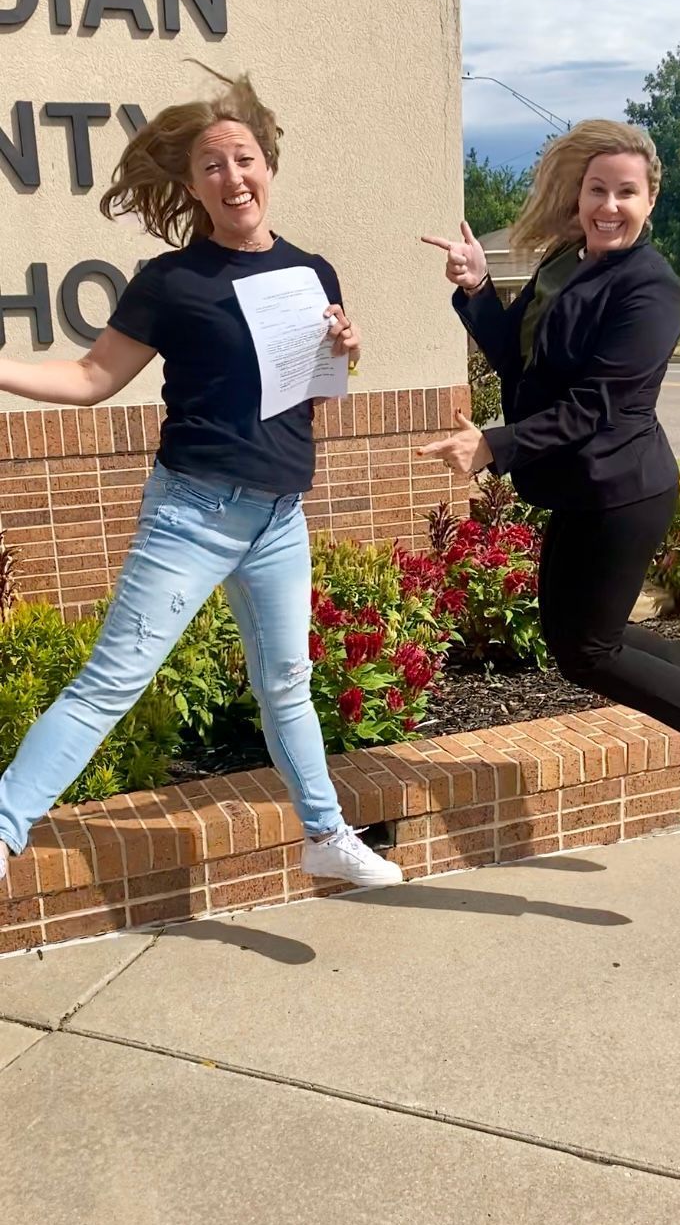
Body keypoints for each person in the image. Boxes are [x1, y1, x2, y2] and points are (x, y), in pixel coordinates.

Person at [0, 69, 403, 888]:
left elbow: (306, 387)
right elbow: (90, 378)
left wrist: (347, 353)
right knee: (112, 682)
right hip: (194, 511)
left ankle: (324, 836)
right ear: (193, 185)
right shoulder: (171, 282)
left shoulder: (312, 272)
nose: (233, 178)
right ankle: (3, 829)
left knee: (288, 683)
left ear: (269, 166)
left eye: (244, 159)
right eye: (213, 166)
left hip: (279, 515)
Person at [420, 119, 680, 825]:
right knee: (577, 639)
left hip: (624, 490)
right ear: (579, 195)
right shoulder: (566, 261)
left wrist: (496, 445)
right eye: (598, 189)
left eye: (626, 192)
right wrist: (475, 288)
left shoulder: (650, 288)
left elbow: (596, 406)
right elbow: (520, 365)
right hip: (583, 490)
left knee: (588, 651)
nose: (609, 206)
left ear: (650, 202)